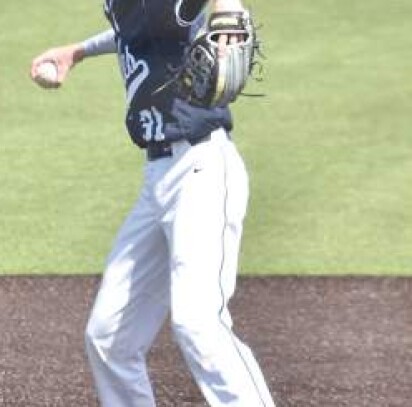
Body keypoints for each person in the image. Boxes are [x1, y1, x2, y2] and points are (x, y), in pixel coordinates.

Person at [30, 0, 275, 405]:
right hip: (157, 178)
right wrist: (77, 52)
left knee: (199, 324)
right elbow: (134, 33)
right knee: (110, 337)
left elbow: (200, 12)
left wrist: (229, 7)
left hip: (203, 170)